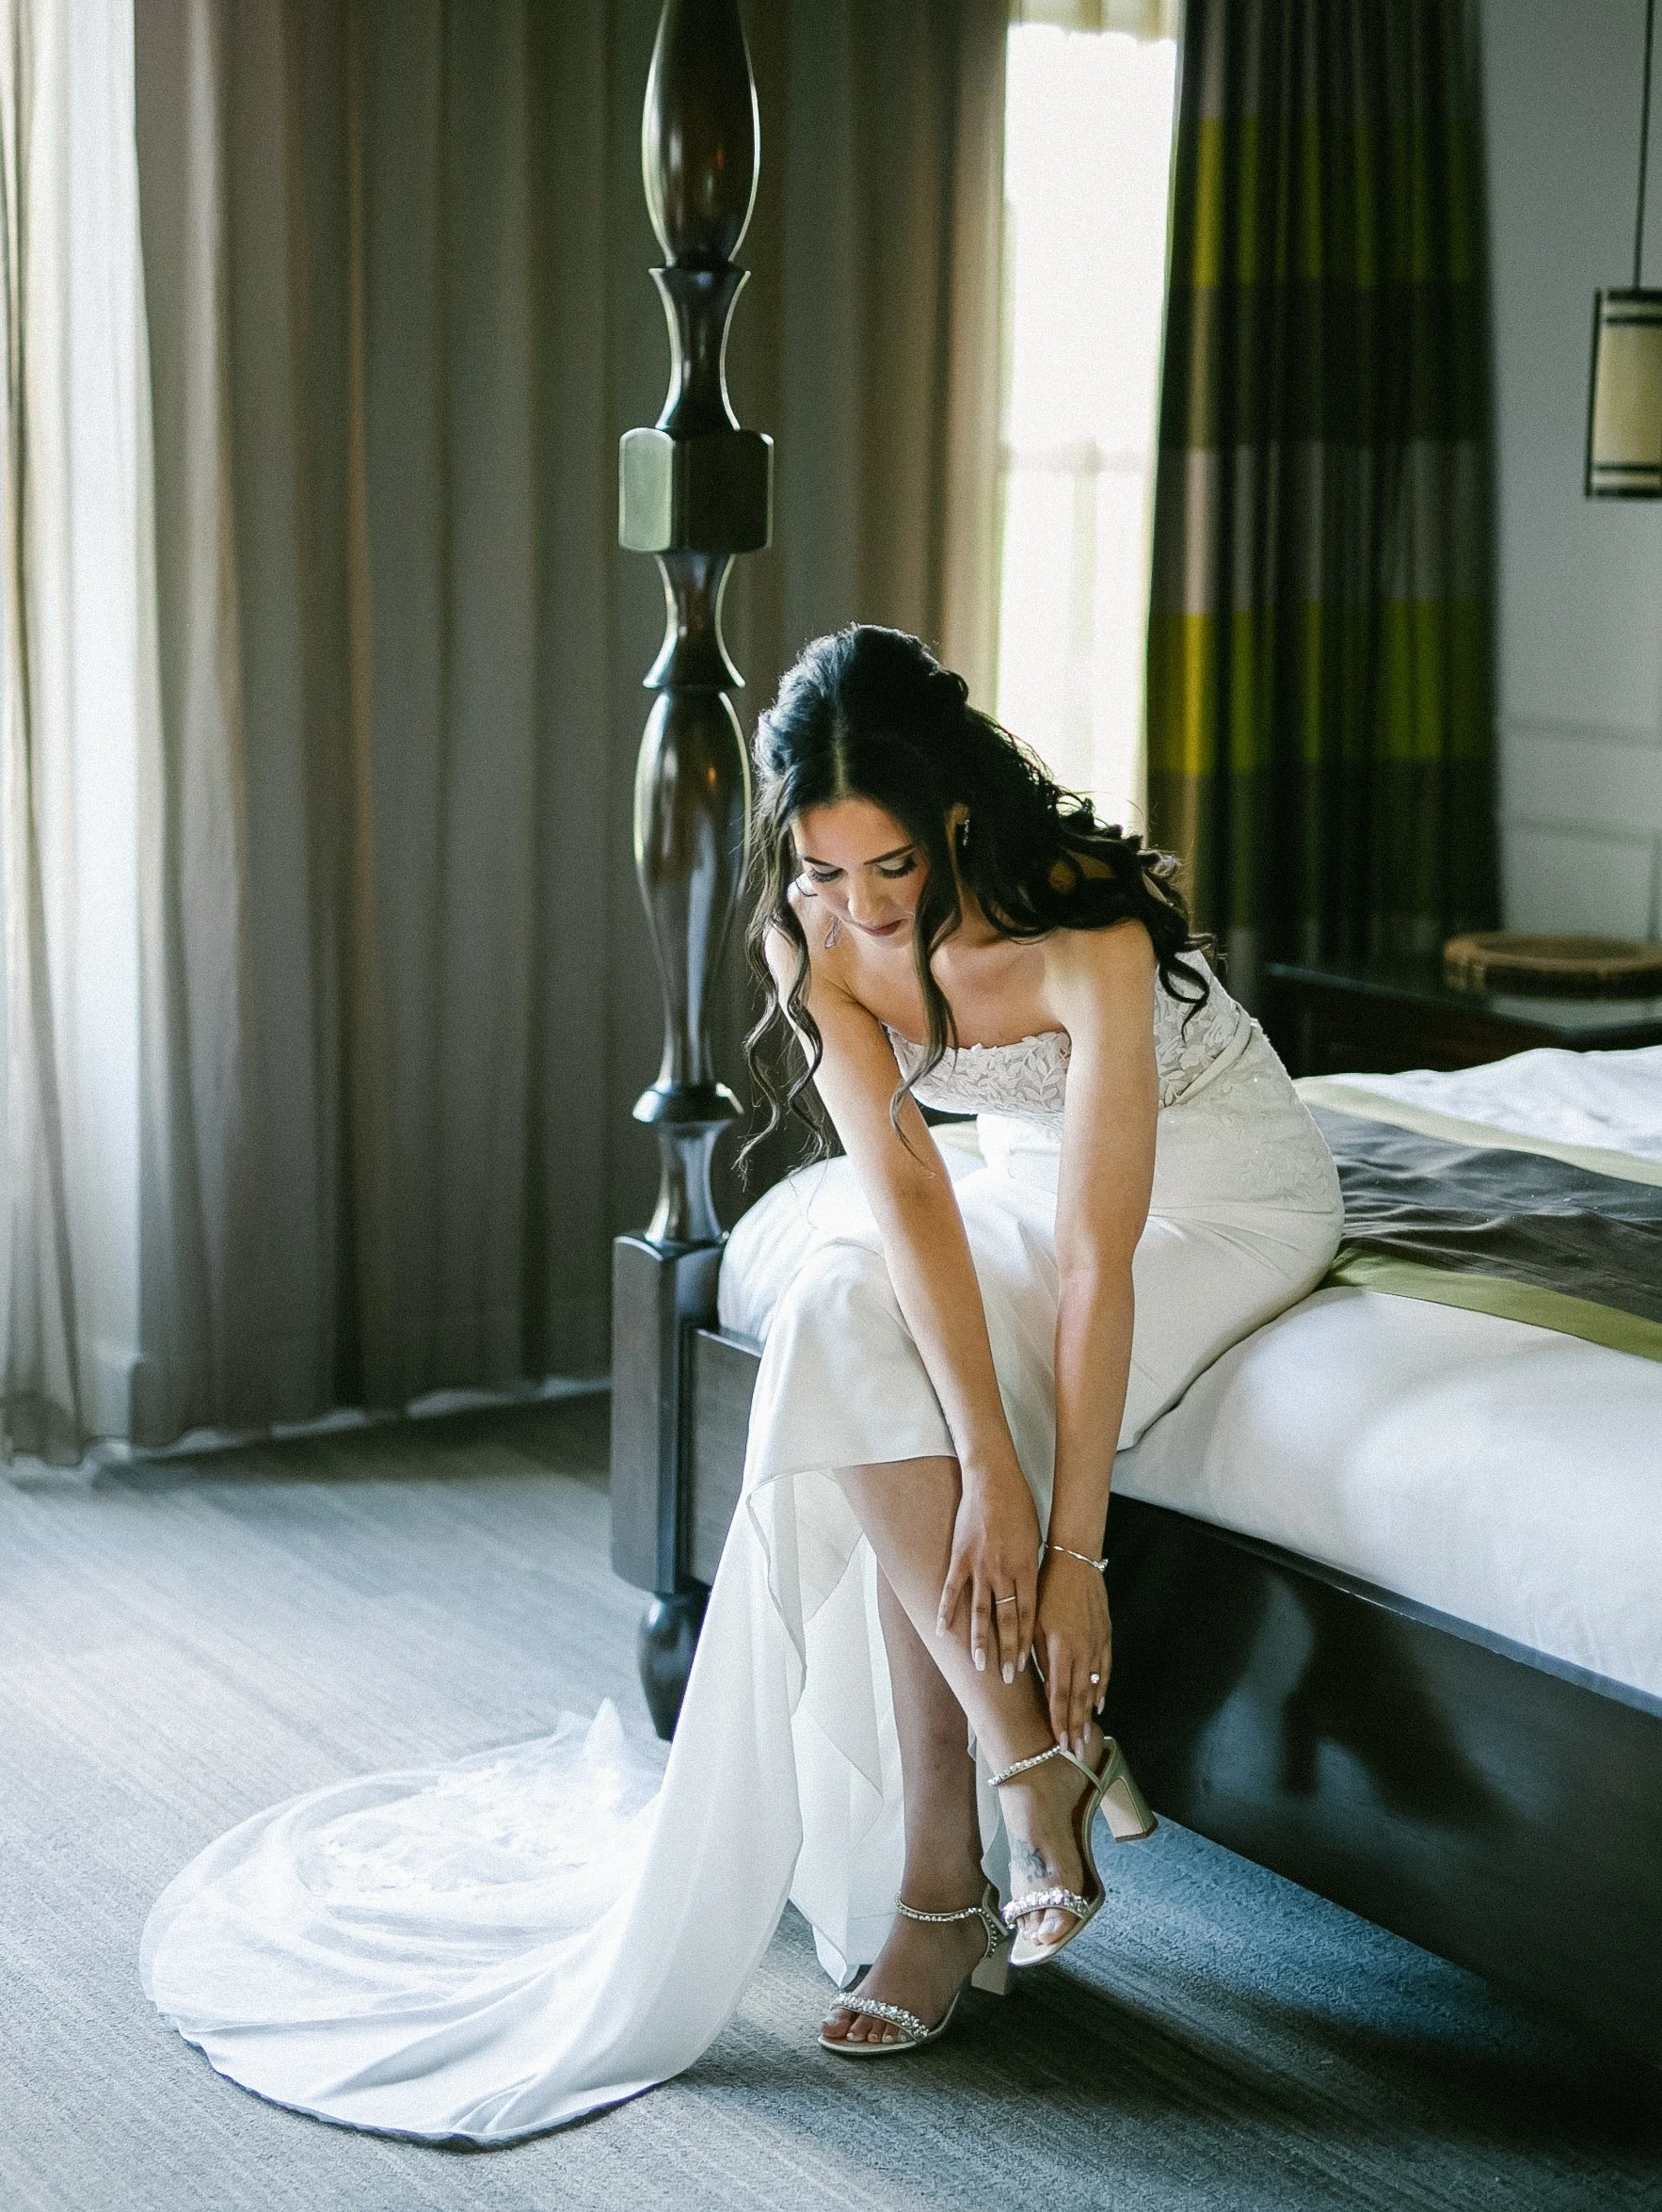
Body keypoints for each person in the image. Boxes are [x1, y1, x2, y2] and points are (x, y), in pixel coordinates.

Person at [140, 626, 1343, 2140]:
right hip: (1024, 1192)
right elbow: (905, 1195)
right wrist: (981, 1469)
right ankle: (1025, 1767)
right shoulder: (814, 930)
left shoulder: (1082, 931)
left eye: (887, 872)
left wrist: (1069, 1546)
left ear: (955, 824)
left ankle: (948, 1871)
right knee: (842, 1298)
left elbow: (1101, 1263)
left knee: (892, 1354)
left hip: (1218, 1204)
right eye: (823, 874)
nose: (851, 909)